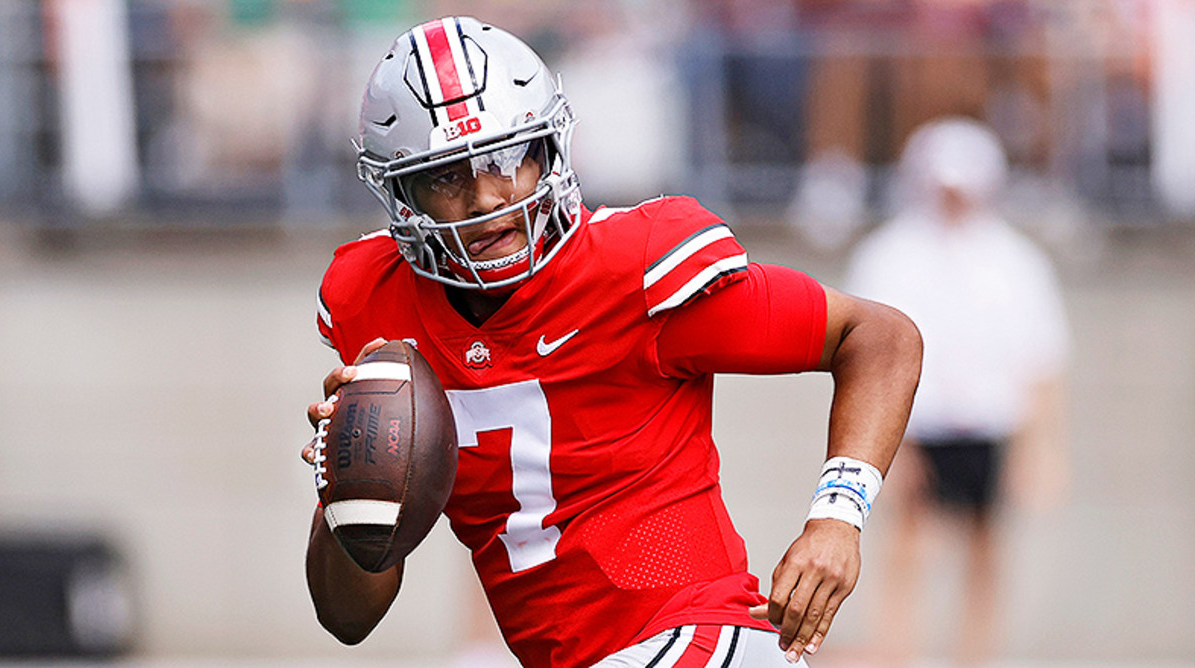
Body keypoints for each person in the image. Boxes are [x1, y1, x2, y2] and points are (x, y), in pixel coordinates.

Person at [301, 16, 921, 668]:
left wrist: (837, 517)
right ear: (402, 194)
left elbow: (880, 336)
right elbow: (346, 619)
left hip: (703, 637)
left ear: (549, 151)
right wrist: (349, 491)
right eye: (447, 177)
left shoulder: (639, 267)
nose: (486, 198)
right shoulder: (373, 305)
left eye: (506, 158)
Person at [845, 116, 1069, 666]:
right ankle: (897, 652)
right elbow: (862, 362)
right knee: (908, 548)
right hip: (914, 427)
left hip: (991, 425)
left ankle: (975, 655)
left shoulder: (1016, 263)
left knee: (985, 551)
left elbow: (1041, 360)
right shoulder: (889, 255)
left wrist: (1039, 449)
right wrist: (884, 452)